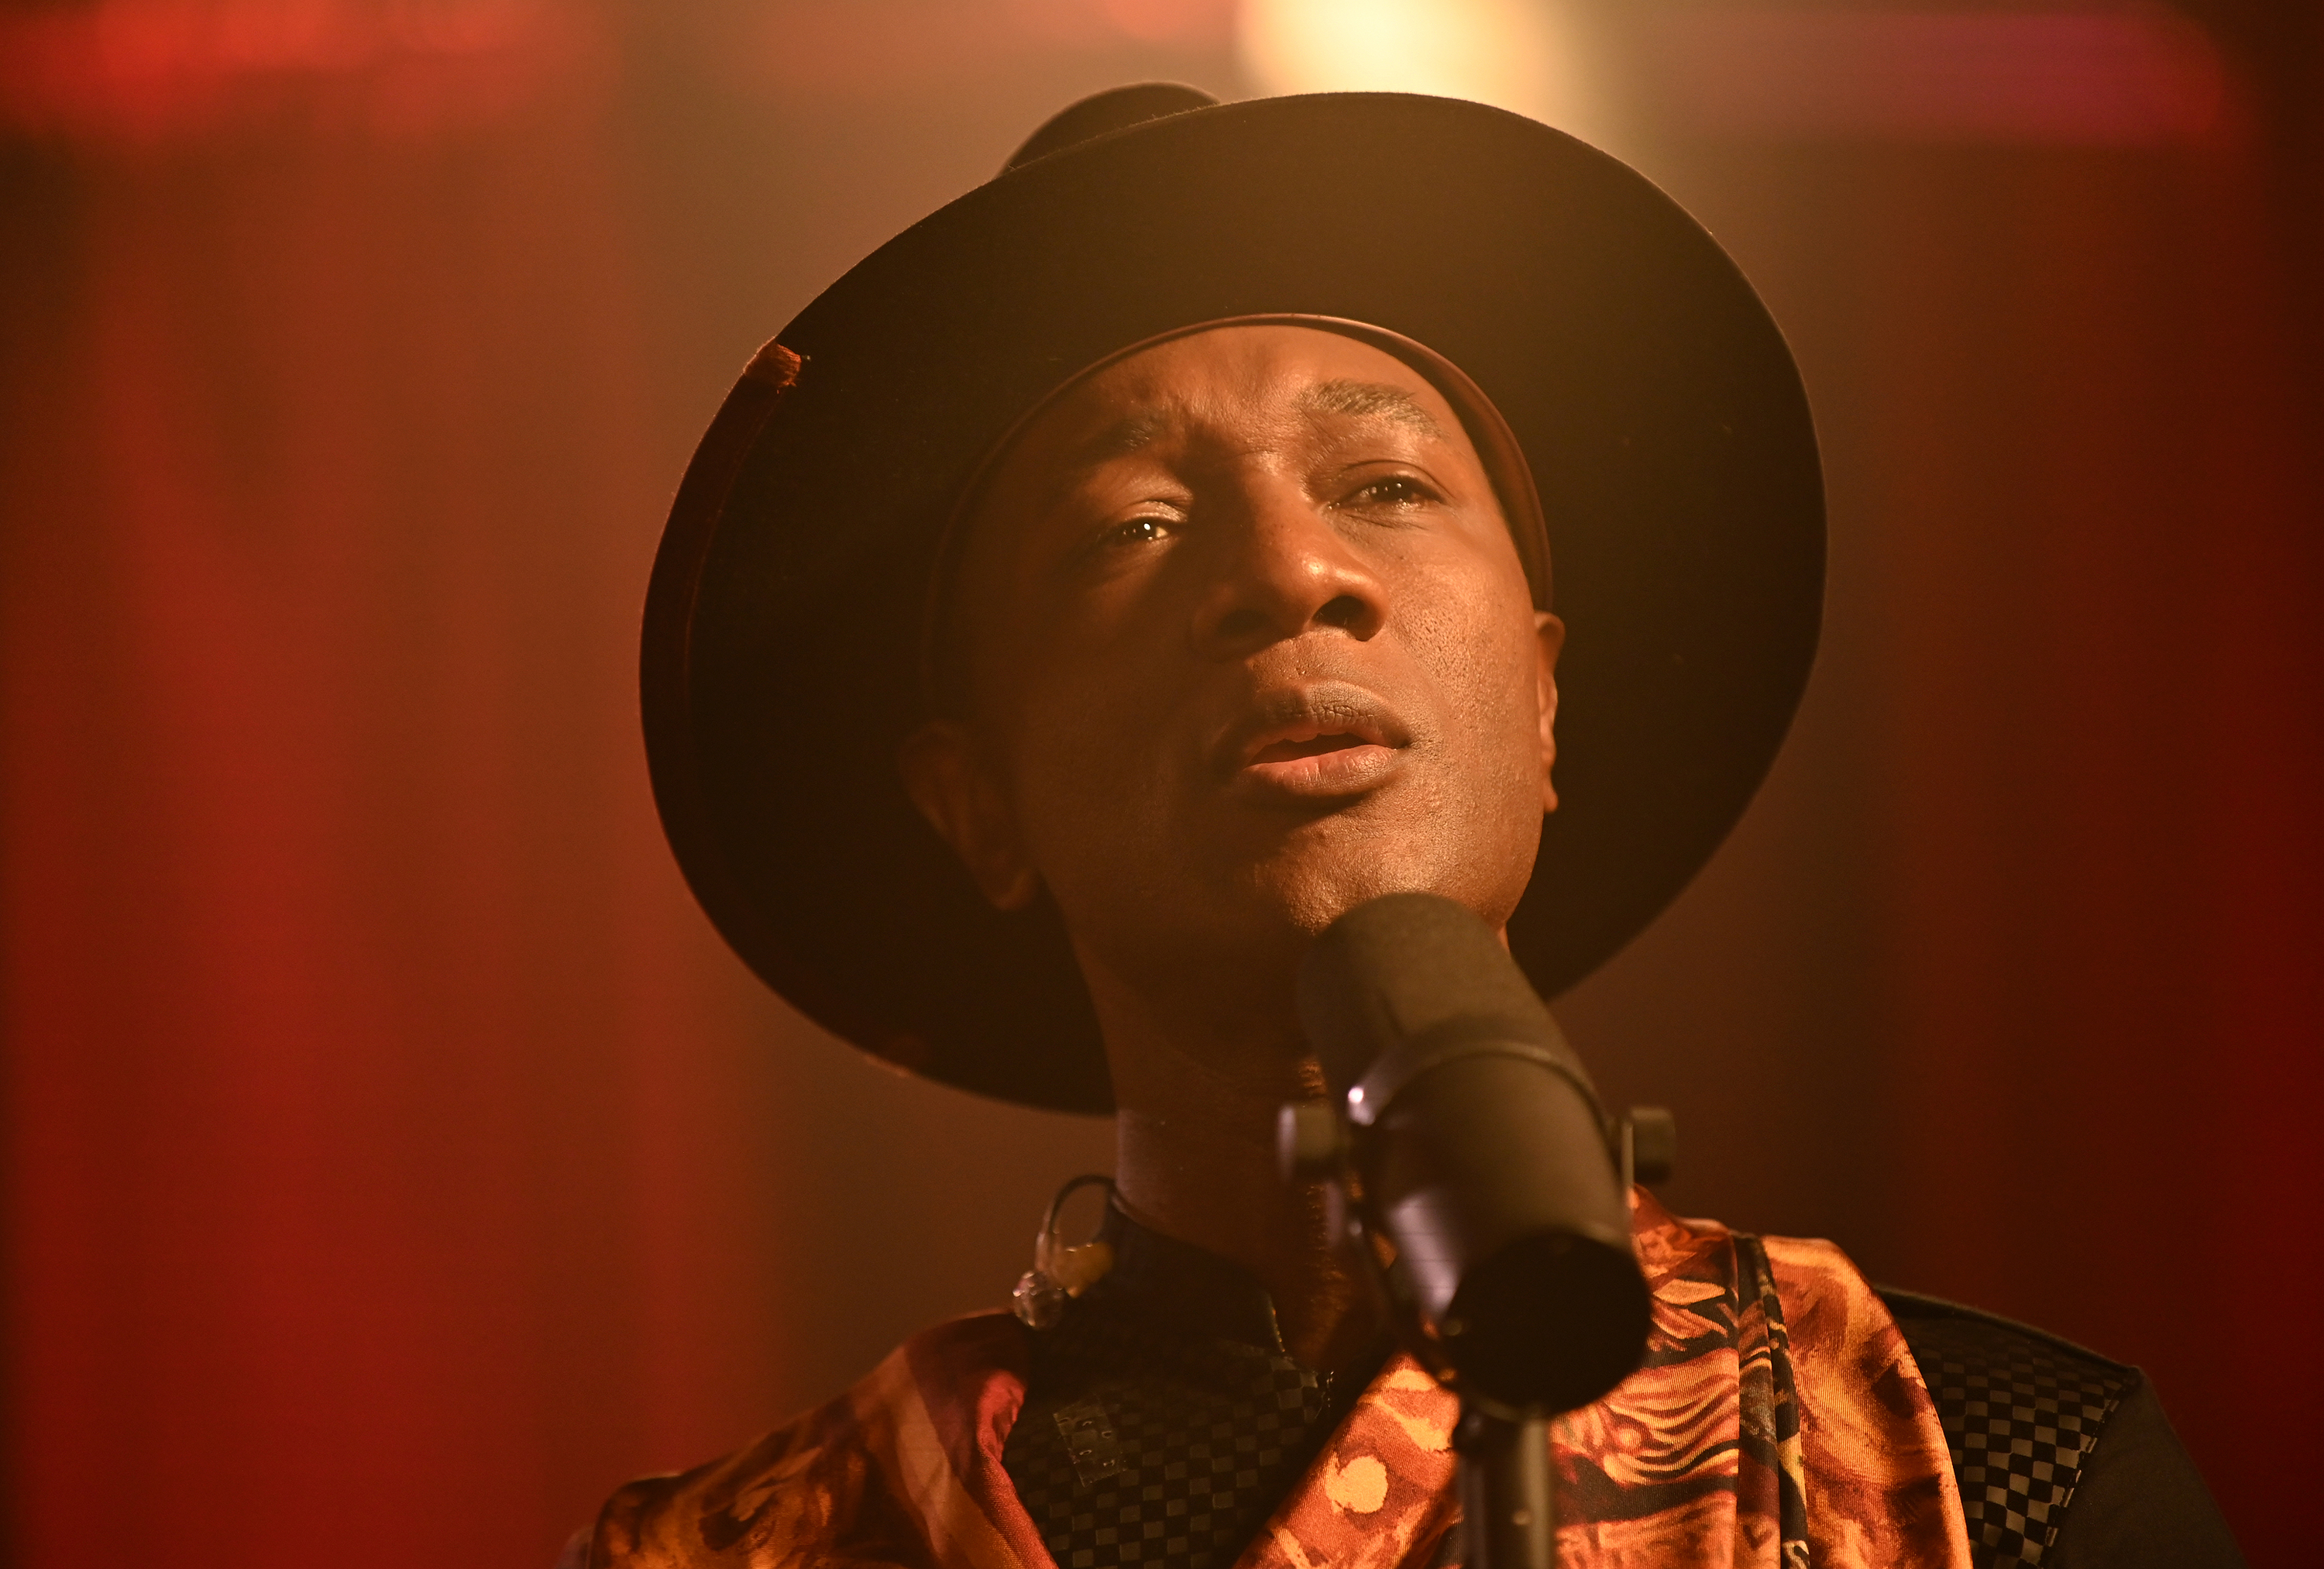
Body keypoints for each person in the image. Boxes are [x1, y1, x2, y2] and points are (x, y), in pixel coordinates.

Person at [569, 86, 2240, 1569]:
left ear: (1545, 697)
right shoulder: (755, 1547)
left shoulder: (1996, 1470)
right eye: (1131, 525)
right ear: (976, 802)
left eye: (1383, 486)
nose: (1293, 572)